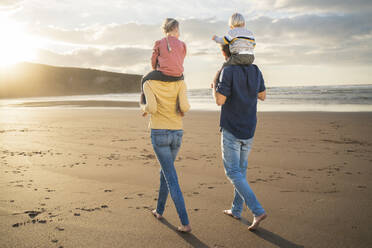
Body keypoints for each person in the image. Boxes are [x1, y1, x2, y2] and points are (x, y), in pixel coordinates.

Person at [212, 44, 267, 231]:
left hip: (232, 128)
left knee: (233, 172)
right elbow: (262, 96)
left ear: (225, 52)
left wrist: (214, 84)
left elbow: (219, 100)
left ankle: (257, 210)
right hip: (249, 127)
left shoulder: (226, 70)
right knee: (241, 172)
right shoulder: (255, 69)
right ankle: (236, 210)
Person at [141, 66, 191, 232]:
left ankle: (185, 222)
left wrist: (143, 108)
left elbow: (152, 108)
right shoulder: (180, 81)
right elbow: (184, 107)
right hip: (177, 132)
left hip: (159, 132)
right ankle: (159, 210)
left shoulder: (148, 82)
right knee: (165, 171)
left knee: (170, 176)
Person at [140, 18, 186, 112]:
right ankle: (179, 107)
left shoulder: (159, 43)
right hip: (178, 76)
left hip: (163, 74)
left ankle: (144, 104)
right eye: (179, 31)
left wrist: (155, 69)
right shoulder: (182, 44)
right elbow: (181, 58)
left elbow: (153, 60)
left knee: (144, 79)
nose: (179, 34)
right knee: (182, 86)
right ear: (176, 29)